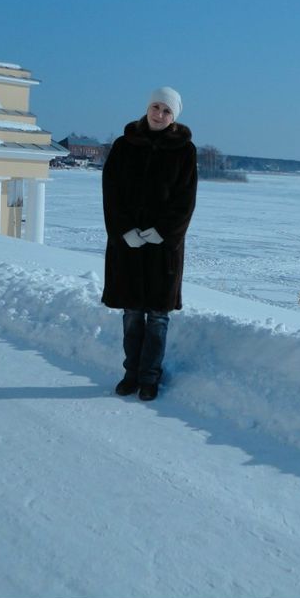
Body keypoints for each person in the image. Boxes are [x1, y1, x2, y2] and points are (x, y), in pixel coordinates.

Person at [101, 87, 198, 401]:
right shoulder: (123, 145)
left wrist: (162, 232)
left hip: (162, 248)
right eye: (156, 107)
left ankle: (150, 377)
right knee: (131, 314)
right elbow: (111, 194)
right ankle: (131, 374)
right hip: (127, 246)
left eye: (166, 111)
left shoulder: (185, 150)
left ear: (174, 117)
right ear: (147, 108)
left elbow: (185, 201)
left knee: (157, 317)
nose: (159, 114)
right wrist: (124, 231)